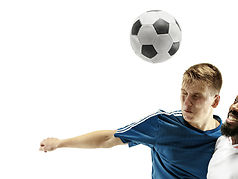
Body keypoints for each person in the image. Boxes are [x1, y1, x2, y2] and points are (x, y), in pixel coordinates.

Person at [39, 63, 222, 179]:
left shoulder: (228, 137)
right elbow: (108, 138)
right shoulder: (162, 125)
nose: (186, 103)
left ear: (215, 101)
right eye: (183, 94)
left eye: (196, 96)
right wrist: (60, 143)